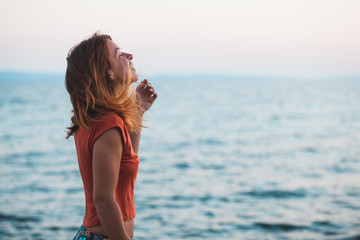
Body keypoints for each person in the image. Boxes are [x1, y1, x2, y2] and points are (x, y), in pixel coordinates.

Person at [65, 32, 157, 240]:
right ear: (108, 73)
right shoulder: (109, 124)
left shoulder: (98, 121)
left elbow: (126, 158)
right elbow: (104, 199)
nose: (129, 55)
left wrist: (138, 112)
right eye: (119, 54)